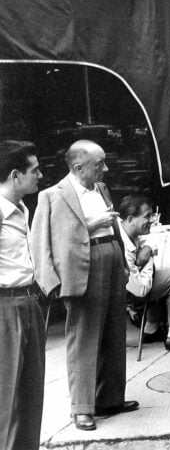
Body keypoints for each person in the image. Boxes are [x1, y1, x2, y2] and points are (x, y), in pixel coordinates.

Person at [32, 140, 138, 430]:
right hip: (83, 265)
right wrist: (49, 282)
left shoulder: (101, 189)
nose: (105, 168)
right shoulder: (52, 196)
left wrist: (124, 262)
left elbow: (114, 226)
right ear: (78, 167)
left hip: (111, 258)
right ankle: (81, 408)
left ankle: (110, 398)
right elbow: (40, 242)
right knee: (83, 337)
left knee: (115, 331)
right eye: (99, 163)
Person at [0, 141, 46, 448]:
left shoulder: (22, 209)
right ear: (16, 176)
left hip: (28, 303)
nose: (41, 175)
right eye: (35, 170)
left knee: (31, 396)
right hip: (5, 307)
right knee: (8, 403)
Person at [117, 194, 170, 350]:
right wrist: (149, 260)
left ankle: (151, 329)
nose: (151, 220)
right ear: (130, 219)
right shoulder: (124, 247)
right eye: (147, 216)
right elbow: (141, 290)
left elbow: (148, 240)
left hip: (131, 287)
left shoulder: (124, 229)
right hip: (129, 296)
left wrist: (148, 248)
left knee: (159, 276)